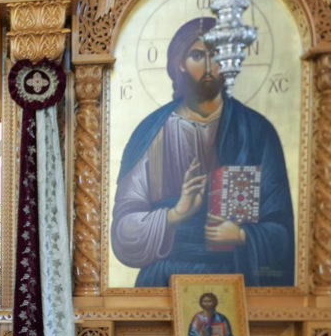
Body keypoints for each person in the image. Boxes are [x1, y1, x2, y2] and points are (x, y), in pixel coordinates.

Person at [111, 18, 294, 287]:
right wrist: (174, 215)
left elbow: (282, 233)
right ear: (180, 63)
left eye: (216, 54)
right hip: (163, 282)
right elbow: (122, 231)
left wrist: (242, 235)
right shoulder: (152, 133)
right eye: (198, 55)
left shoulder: (256, 131)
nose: (209, 67)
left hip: (237, 281)